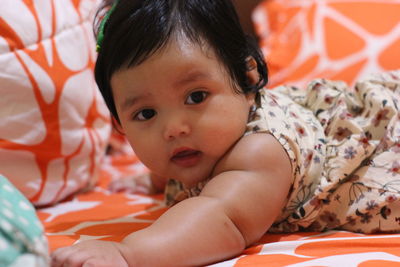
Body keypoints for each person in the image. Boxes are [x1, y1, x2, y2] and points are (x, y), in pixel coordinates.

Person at [51, 0, 400, 266]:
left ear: (247, 80)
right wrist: (156, 181)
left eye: (196, 97)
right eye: (146, 113)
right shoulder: (204, 143)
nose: (174, 129)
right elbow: (193, 171)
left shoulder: (261, 151)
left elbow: (222, 219)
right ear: (120, 125)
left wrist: (126, 254)